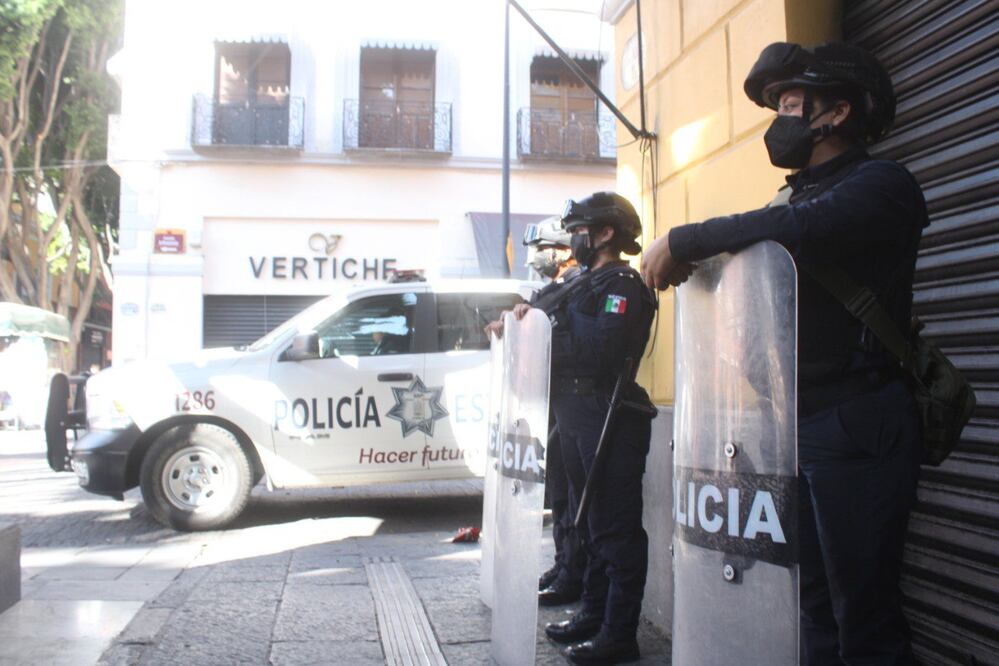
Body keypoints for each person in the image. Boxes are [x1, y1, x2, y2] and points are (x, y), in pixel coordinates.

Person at [641, 41, 926, 665]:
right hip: (792, 426)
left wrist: (686, 237)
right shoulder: (787, 202)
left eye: (793, 103)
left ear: (838, 113)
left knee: (866, 620)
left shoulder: (882, 185)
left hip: (857, 422)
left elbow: (803, 232)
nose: (781, 119)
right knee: (814, 608)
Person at [528, 192, 656, 664]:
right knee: (588, 522)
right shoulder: (582, 282)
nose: (572, 239)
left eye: (580, 230)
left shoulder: (621, 284)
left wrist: (547, 334)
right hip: (574, 412)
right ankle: (594, 613)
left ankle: (619, 633)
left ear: (605, 234)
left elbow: (602, 350)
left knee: (613, 527)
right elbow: (539, 314)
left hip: (607, 415)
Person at [485, 217, 587, 607]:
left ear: (562, 250)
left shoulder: (578, 284)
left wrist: (519, 318)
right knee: (560, 494)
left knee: (574, 499)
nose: (536, 258)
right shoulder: (555, 287)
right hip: (555, 404)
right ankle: (565, 565)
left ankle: (572, 572)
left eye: (542, 249)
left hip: (577, 405)